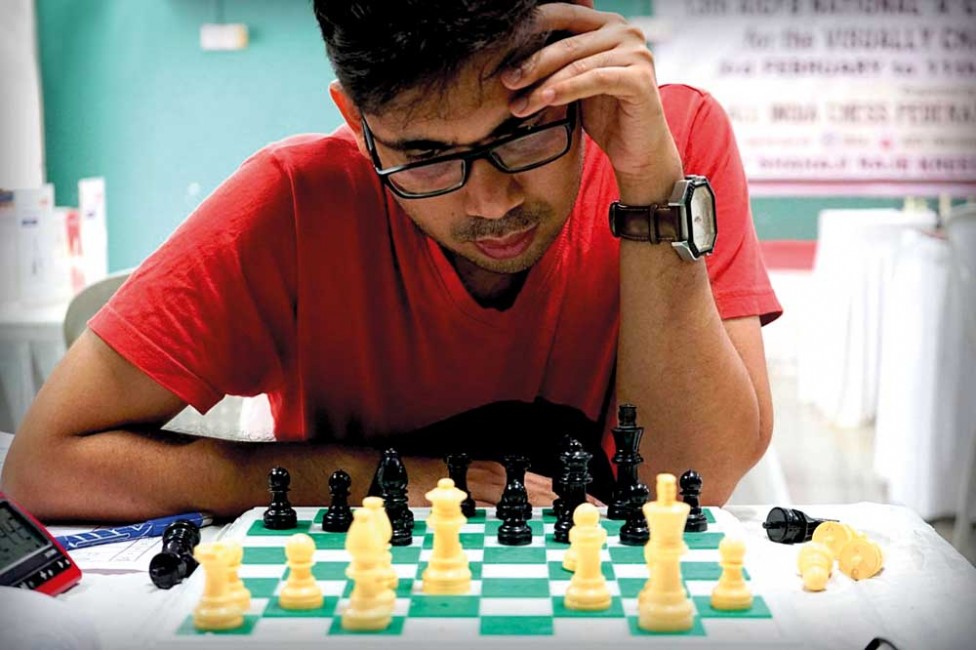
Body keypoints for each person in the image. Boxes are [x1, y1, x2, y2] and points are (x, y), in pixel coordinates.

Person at [1, 0, 780, 522]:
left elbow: (692, 485)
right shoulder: (295, 201)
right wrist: (396, 474)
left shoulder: (669, 143)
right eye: (425, 156)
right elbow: (44, 466)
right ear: (356, 120)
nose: (490, 203)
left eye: (523, 134)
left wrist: (652, 189)